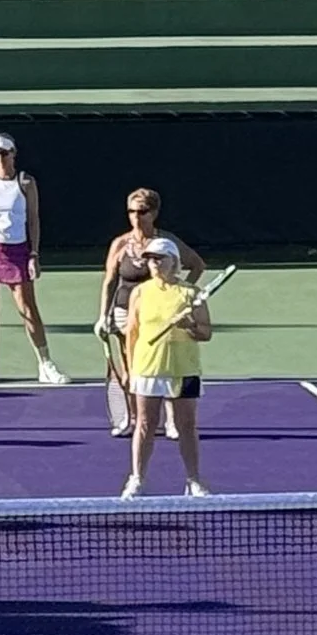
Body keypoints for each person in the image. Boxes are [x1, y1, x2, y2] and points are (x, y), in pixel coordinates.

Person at [95, 190, 207, 438]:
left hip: (159, 313)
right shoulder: (120, 244)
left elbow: (197, 265)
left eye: (142, 211)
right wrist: (103, 316)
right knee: (131, 371)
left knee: (164, 366)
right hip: (126, 314)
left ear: (154, 213)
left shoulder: (167, 243)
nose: (136, 217)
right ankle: (133, 419)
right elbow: (110, 281)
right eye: (132, 212)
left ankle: (170, 421)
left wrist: (181, 293)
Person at [0, 133, 66, 386]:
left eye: (4, 153)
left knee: (28, 309)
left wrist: (34, 254)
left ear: (13, 153)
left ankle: (45, 364)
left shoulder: (26, 183)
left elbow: (34, 219)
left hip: (17, 252)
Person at [120, 242, 212, 496]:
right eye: (150, 260)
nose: (154, 264)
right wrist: (128, 368)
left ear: (173, 261)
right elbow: (132, 332)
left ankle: (194, 480)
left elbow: (206, 333)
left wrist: (189, 325)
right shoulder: (139, 292)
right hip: (148, 367)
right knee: (145, 424)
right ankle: (137, 479)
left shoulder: (191, 293)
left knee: (186, 425)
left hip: (184, 368)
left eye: (159, 259)